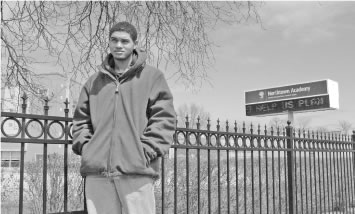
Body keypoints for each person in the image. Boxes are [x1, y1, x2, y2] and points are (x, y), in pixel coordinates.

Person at [72, 21, 176, 214]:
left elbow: (164, 118)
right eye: (114, 40)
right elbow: (81, 121)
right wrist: (88, 149)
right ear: (109, 43)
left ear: (134, 44)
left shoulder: (152, 77)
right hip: (97, 173)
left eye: (124, 41)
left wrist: (144, 151)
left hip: (136, 171)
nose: (119, 45)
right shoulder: (93, 82)